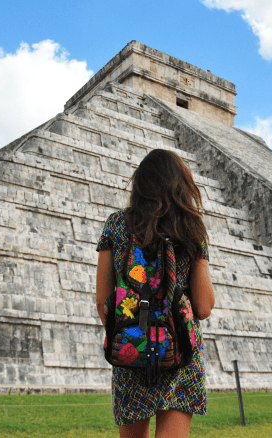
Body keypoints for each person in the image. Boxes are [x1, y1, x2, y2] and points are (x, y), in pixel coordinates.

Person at [95, 149, 216, 438]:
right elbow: (202, 307)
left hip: (130, 349)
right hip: (181, 352)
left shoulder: (116, 225)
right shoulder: (190, 228)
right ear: (180, 185)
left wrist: (132, 337)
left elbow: (103, 301)